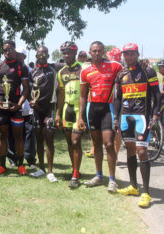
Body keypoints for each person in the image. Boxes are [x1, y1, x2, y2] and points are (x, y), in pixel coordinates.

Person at [114, 43, 160, 207]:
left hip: (142, 117)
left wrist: (155, 115)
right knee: (131, 150)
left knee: (142, 152)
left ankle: (146, 193)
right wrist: (116, 119)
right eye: (126, 54)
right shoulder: (121, 74)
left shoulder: (148, 71)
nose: (128, 57)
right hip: (126, 117)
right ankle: (133, 186)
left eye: (132, 54)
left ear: (137, 54)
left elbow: (157, 96)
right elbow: (118, 98)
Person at [78, 41, 123, 193]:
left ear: (104, 51)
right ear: (90, 52)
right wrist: (81, 117)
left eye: (99, 51)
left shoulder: (115, 66)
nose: (97, 53)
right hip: (93, 110)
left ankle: (112, 179)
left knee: (109, 143)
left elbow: (125, 81)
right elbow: (83, 96)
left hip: (108, 109)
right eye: (94, 51)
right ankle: (99, 176)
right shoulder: (85, 71)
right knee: (96, 144)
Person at [0, 40, 30, 175]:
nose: (7, 52)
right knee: (3, 136)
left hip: (15, 106)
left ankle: (20, 165)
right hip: (2, 105)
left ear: (14, 50)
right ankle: (2, 166)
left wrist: (19, 104)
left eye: (10, 49)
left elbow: (26, 89)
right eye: (5, 50)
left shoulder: (21, 67)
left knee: (19, 136)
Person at [28, 46, 61, 182]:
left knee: (49, 139)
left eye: (44, 53)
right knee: (39, 139)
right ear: (36, 55)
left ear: (48, 55)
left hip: (50, 108)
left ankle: (50, 171)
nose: (41, 55)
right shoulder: (33, 72)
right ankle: (41, 168)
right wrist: (31, 101)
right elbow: (30, 90)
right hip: (36, 109)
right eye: (39, 53)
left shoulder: (54, 68)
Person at [55, 41, 83, 188]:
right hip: (67, 109)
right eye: (64, 53)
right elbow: (60, 94)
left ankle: (76, 175)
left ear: (75, 53)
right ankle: (74, 170)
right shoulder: (61, 72)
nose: (66, 55)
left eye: (69, 52)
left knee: (76, 141)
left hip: (79, 109)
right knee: (69, 142)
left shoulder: (83, 69)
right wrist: (58, 113)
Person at [7, 47, 36, 169]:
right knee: (11, 133)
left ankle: (30, 159)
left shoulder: (31, 71)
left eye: (20, 55)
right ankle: (12, 158)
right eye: (16, 54)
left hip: (27, 107)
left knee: (29, 133)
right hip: (13, 107)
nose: (17, 56)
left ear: (24, 57)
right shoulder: (10, 69)